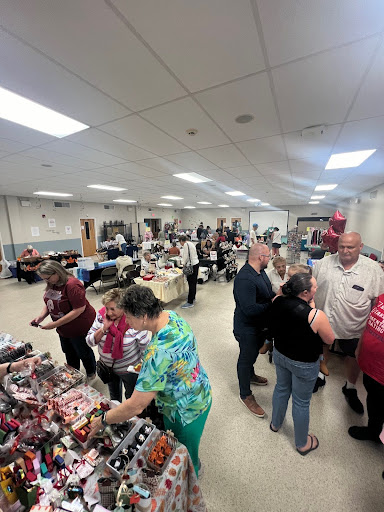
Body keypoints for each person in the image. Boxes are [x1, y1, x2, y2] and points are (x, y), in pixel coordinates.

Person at [89, 286, 212, 476]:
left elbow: (136, 406)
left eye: (128, 317)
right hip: (198, 388)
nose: (126, 322)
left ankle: (191, 477)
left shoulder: (157, 352)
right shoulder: (170, 315)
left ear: (143, 316)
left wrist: (104, 419)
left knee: (185, 454)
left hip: (185, 410)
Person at [312, 232, 384, 413]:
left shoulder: (373, 270)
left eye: (350, 247)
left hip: (353, 326)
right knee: (322, 349)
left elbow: (377, 301)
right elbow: (311, 290)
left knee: (353, 357)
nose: (344, 251)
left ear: (361, 247)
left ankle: (350, 387)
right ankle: (320, 375)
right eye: (341, 246)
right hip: (324, 320)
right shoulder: (323, 264)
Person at [270, 273, 335, 455]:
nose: (317, 289)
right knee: (301, 402)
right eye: (315, 287)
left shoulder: (277, 301)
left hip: (280, 354)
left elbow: (280, 298)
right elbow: (329, 339)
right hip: (303, 364)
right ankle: (302, 443)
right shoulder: (315, 315)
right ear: (306, 292)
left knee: (281, 388)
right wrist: (312, 309)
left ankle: (275, 424)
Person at [31, 260, 97, 380]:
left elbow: (79, 309)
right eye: (44, 279)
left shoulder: (72, 285)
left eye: (48, 278)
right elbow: (50, 301)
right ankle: (74, 373)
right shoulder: (52, 283)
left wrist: (55, 323)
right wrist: (41, 317)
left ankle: (91, 371)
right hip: (63, 326)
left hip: (78, 324)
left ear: (56, 272)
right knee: (68, 350)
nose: (47, 281)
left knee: (82, 349)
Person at [86, 289, 151, 402]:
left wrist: (145, 371)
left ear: (124, 308)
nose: (109, 313)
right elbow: (89, 342)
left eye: (112, 309)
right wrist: (103, 328)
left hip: (129, 371)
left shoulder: (135, 321)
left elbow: (145, 349)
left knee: (131, 397)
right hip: (108, 368)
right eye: (107, 308)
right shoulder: (102, 317)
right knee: (114, 397)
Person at [233, 244, 274, 417]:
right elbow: (249, 309)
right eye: (268, 256)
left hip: (259, 326)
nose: (269, 259)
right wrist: (272, 303)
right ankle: (245, 394)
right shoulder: (245, 279)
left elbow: (266, 293)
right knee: (245, 358)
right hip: (247, 327)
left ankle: (250, 375)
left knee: (253, 354)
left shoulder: (261, 272)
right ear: (260, 257)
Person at [348, 293, 384, 442]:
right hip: (371, 366)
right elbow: (369, 323)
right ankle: (373, 431)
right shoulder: (382, 297)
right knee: (374, 399)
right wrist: (360, 347)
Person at [179, 234, 199, 309]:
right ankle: (192, 297)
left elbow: (186, 256)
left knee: (191, 283)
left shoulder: (186, 245)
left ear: (181, 241)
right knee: (193, 283)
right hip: (195, 264)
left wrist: (183, 264)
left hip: (191, 266)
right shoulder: (191, 243)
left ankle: (190, 302)